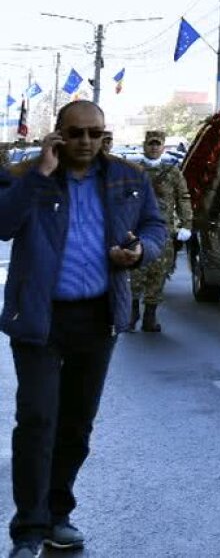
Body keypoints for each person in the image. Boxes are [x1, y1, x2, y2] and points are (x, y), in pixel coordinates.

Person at [0, 100, 167, 557]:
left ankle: (58, 515)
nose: (86, 143)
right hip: (39, 319)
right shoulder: (24, 175)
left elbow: (155, 226)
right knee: (37, 420)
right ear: (58, 134)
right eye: (76, 133)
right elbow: (2, 224)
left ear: (105, 135)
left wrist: (140, 252)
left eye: (95, 133)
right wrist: (40, 174)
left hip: (96, 318)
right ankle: (28, 530)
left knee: (75, 426)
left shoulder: (129, 178)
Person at [129, 130, 193, 332]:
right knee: (135, 272)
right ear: (144, 145)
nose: (154, 148)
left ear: (163, 147)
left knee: (159, 272)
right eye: (151, 144)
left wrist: (186, 225)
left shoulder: (173, 172)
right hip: (137, 230)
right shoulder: (134, 171)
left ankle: (150, 315)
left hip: (163, 231)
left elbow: (183, 198)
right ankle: (131, 312)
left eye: (158, 144)